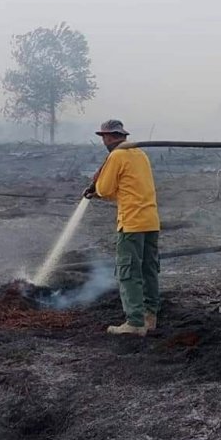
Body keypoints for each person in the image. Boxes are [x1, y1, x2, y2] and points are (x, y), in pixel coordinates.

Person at [83, 119, 161, 336]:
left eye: (104, 137)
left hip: (132, 223)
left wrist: (95, 189)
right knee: (149, 270)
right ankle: (150, 317)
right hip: (151, 221)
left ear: (109, 137)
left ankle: (135, 323)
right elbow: (130, 189)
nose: (103, 141)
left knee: (129, 272)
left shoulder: (117, 155)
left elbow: (106, 189)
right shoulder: (140, 154)